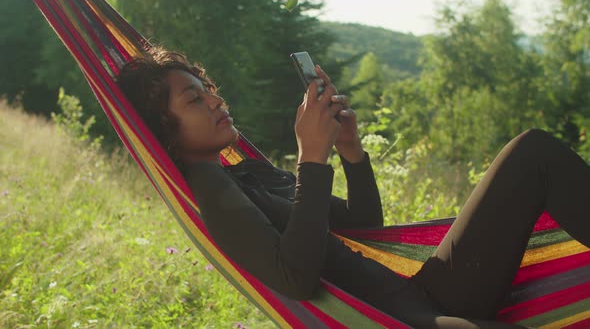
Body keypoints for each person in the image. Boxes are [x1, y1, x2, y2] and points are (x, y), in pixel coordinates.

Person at [116, 47, 590, 328]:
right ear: (166, 130)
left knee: (532, 154)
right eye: (195, 99)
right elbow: (294, 278)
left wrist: (350, 151)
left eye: (208, 88)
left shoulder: (245, 174)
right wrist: (311, 157)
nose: (216, 99)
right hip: (406, 318)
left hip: (424, 290)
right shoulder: (214, 196)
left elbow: (363, 225)